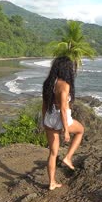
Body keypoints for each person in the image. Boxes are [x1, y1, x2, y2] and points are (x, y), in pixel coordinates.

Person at [42, 56, 84, 190]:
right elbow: (63, 110)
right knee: (80, 130)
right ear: (67, 70)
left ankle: (52, 183)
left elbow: (44, 105)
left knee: (53, 153)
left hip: (49, 118)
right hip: (61, 119)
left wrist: (44, 121)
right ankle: (68, 157)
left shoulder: (48, 83)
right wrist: (66, 130)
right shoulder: (65, 86)